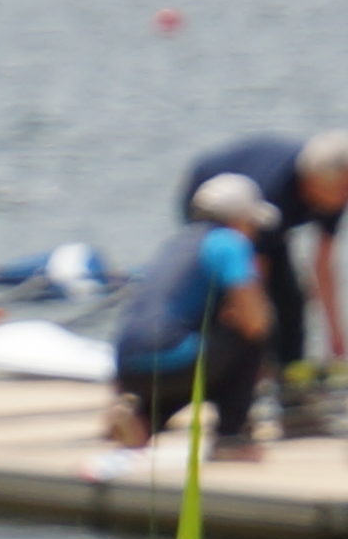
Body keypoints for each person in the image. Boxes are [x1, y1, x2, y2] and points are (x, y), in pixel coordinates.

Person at [96, 172, 277, 468]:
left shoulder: (176, 243)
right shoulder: (229, 242)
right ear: (239, 219)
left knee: (198, 356)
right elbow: (255, 321)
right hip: (174, 359)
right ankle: (231, 439)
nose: (255, 232)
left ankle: (142, 418)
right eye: (252, 223)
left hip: (128, 367)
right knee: (247, 339)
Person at [179, 132, 348, 428]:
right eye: (340, 193)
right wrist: (259, 336)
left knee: (292, 302)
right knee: (239, 307)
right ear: (312, 185)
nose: (343, 202)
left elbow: (323, 265)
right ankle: (235, 394)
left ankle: (291, 396)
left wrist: (336, 337)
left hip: (265, 221)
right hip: (217, 203)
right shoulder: (277, 190)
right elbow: (251, 277)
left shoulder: (335, 190)